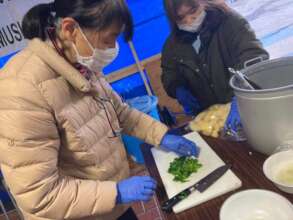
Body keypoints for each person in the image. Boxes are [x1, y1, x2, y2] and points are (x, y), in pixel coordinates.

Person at [0, 1, 200, 219]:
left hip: (109, 205)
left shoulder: (79, 63)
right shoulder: (21, 89)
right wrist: (115, 192)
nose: (112, 48)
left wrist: (161, 135)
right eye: (108, 39)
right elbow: (39, 195)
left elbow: (120, 112)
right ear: (69, 29)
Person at [161, 0, 269, 131]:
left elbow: (253, 56)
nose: (189, 20)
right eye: (180, 18)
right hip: (210, 119)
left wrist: (241, 97)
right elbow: (169, 74)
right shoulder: (172, 46)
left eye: (193, 11)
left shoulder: (231, 23)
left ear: (204, 2)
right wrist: (178, 89)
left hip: (248, 108)